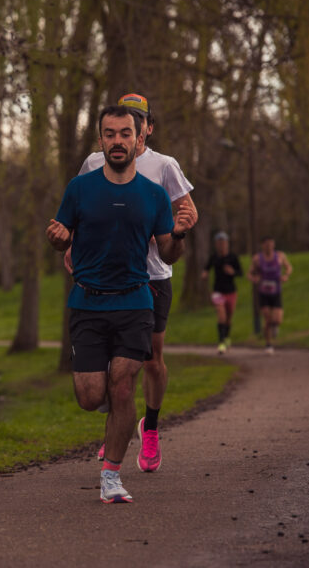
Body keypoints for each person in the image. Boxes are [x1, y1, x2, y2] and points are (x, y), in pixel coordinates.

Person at [47, 105, 195, 504]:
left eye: (125, 133)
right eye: (109, 134)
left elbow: (166, 255)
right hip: (88, 302)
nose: (117, 141)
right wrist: (59, 239)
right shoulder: (80, 189)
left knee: (125, 385)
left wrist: (178, 235)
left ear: (139, 137)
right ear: (101, 141)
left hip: (135, 300)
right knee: (91, 396)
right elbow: (64, 236)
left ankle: (111, 476)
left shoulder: (153, 195)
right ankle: (112, 410)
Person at [248, 237, 293, 354]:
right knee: (267, 319)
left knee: (277, 320)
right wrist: (254, 279)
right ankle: (268, 344)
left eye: (271, 244)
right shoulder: (257, 258)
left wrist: (286, 275)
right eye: (267, 244)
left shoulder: (280, 256)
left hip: (276, 291)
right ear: (263, 245)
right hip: (263, 293)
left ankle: (275, 326)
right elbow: (249, 273)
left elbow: (289, 267)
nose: (269, 247)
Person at [200, 231, 242, 354]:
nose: (221, 245)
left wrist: (232, 272)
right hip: (218, 291)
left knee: (228, 318)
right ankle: (221, 343)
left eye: (223, 243)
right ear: (216, 244)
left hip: (231, 291)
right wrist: (205, 273)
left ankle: (227, 338)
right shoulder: (214, 257)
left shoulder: (233, 257)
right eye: (219, 243)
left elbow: (240, 273)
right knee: (221, 316)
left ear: (227, 244)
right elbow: (207, 268)